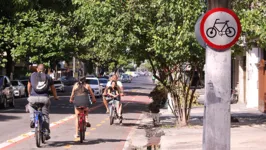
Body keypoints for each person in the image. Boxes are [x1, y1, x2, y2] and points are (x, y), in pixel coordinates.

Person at [27, 64, 59, 140]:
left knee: (30, 105)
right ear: (44, 70)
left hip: (33, 98)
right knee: (45, 115)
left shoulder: (32, 75)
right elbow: (53, 89)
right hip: (44, 98)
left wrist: (29, 94)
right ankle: (46, 132)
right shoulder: (48, 77)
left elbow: (29, 86)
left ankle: (32, 119)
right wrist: (55, 97)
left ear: (37, 69)